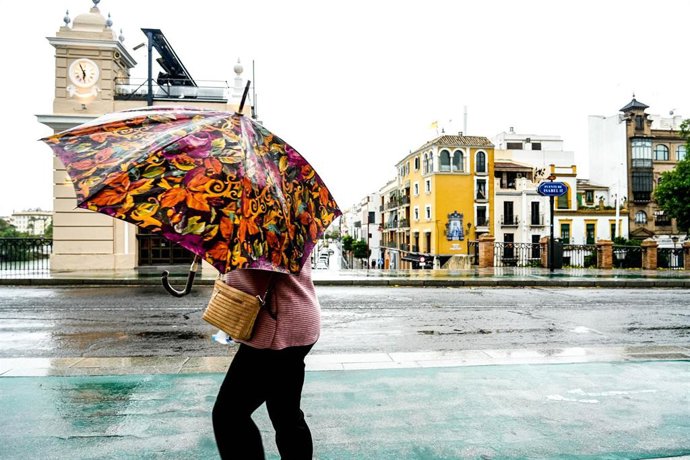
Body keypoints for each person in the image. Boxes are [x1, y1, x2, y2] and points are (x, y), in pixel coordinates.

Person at [212, 262, 320, 459]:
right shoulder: (284, 230)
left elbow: (253, 282)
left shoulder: (254, 233)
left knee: (228, 416)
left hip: (276, 330)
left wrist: (226, 274)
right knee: (286, 413)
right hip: (300, 320)